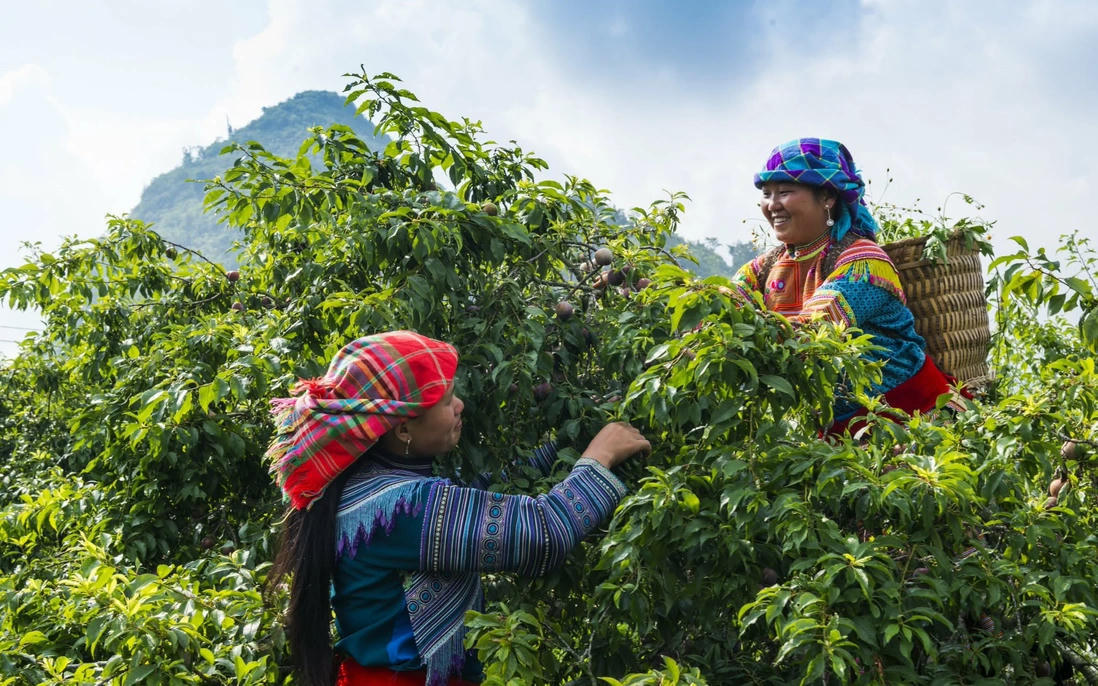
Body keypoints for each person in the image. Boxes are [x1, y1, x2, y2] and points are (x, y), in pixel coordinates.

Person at [266, 330, 650, 686]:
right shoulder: (403, 507)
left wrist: (564, 444)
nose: (460, 404)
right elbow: (541, 533)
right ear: (402, 429)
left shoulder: (363, 479)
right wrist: (600, 457)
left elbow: (477, 494)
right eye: (447, 400)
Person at [733, 137, 960, 434]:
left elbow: (814, 331)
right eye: (766, 193)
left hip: (911, 420)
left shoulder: (864, 261)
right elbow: (725, 304)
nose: (772, 205)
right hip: (837, 431)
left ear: (828, 197)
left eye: (785, 192)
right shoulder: (764, 268)